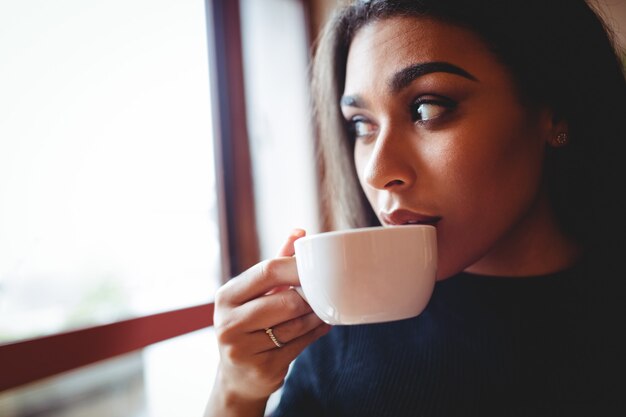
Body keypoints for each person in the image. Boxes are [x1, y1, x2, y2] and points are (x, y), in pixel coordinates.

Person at [205, 0, 626, 415]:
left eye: (427, 109)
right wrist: (236, 392)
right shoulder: (345, 337)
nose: (375, 172)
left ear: (553, 111)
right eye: (362, 125)